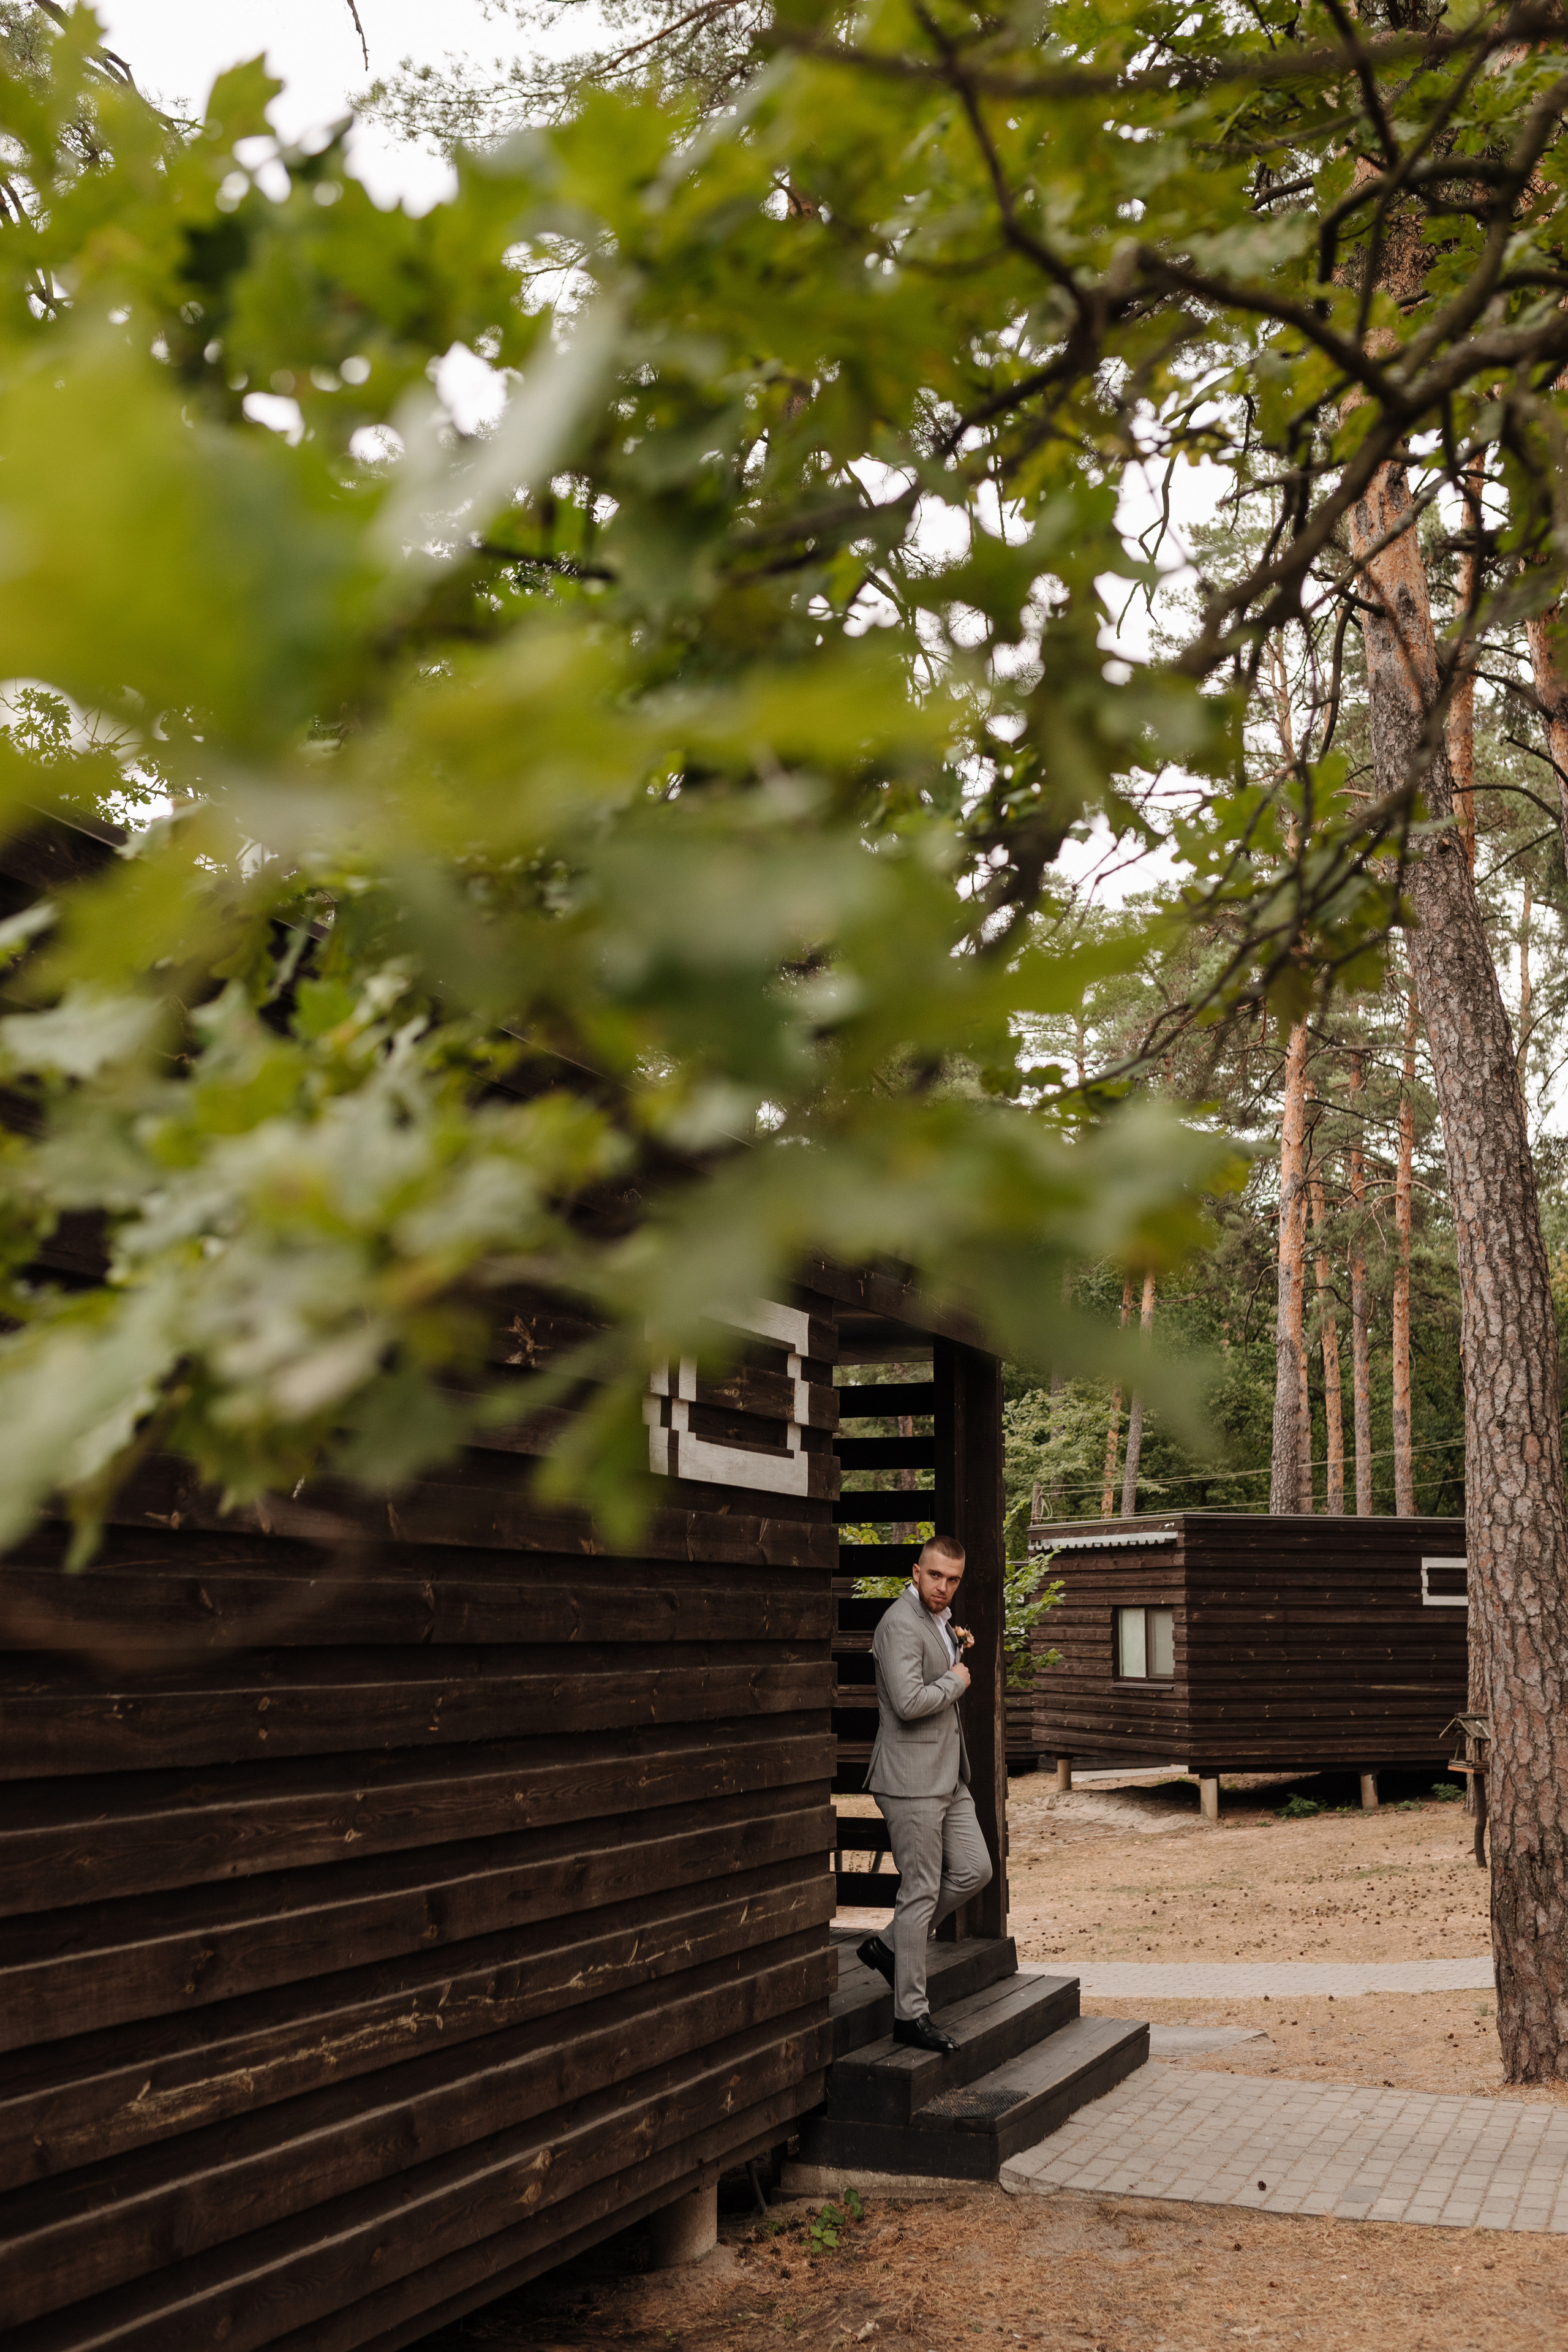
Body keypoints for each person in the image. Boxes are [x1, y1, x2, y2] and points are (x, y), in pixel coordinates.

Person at [857, 1532, 993, 2052]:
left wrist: (954, 1650)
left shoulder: (936, 1620)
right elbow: (910, 1702)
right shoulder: (897, 1625)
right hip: (911, 1780)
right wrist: (958, 1678)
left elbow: (934, 1670)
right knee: (918, 1893)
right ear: (916, 1572)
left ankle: (892, 1946)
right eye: (934, 1575)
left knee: (974, 1869)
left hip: (948, 1776)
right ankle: (910, 2017)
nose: (943, 1587)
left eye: (952, 1579)